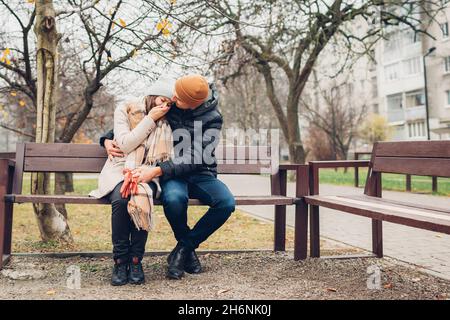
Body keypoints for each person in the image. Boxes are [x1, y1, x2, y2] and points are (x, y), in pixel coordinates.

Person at [100, 74, 236, 280]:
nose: (173, 99)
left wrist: (157, 171)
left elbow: (198, 156)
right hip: (173, 175)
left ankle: (183, 249)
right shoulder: (172, 104)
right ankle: (185, 253)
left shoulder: (213, 118)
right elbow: (132, 123)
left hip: (200, 173)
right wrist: (106, 140)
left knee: (226, 203)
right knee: (174, 199)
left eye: (179, 99)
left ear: (194, 104)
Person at [90, 78, 174, 286]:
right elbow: (126, 144)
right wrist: (150, 120)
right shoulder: (126, 109)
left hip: (148, 173)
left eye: (169, 103)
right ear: (152, 96)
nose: (164, 107)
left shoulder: (169, 119)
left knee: (140, 198)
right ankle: (120, 261)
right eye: (162, 101)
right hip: (120, 170)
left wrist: (156, 118)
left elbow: (167, 156)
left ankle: (136, 260)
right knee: (120, 200)